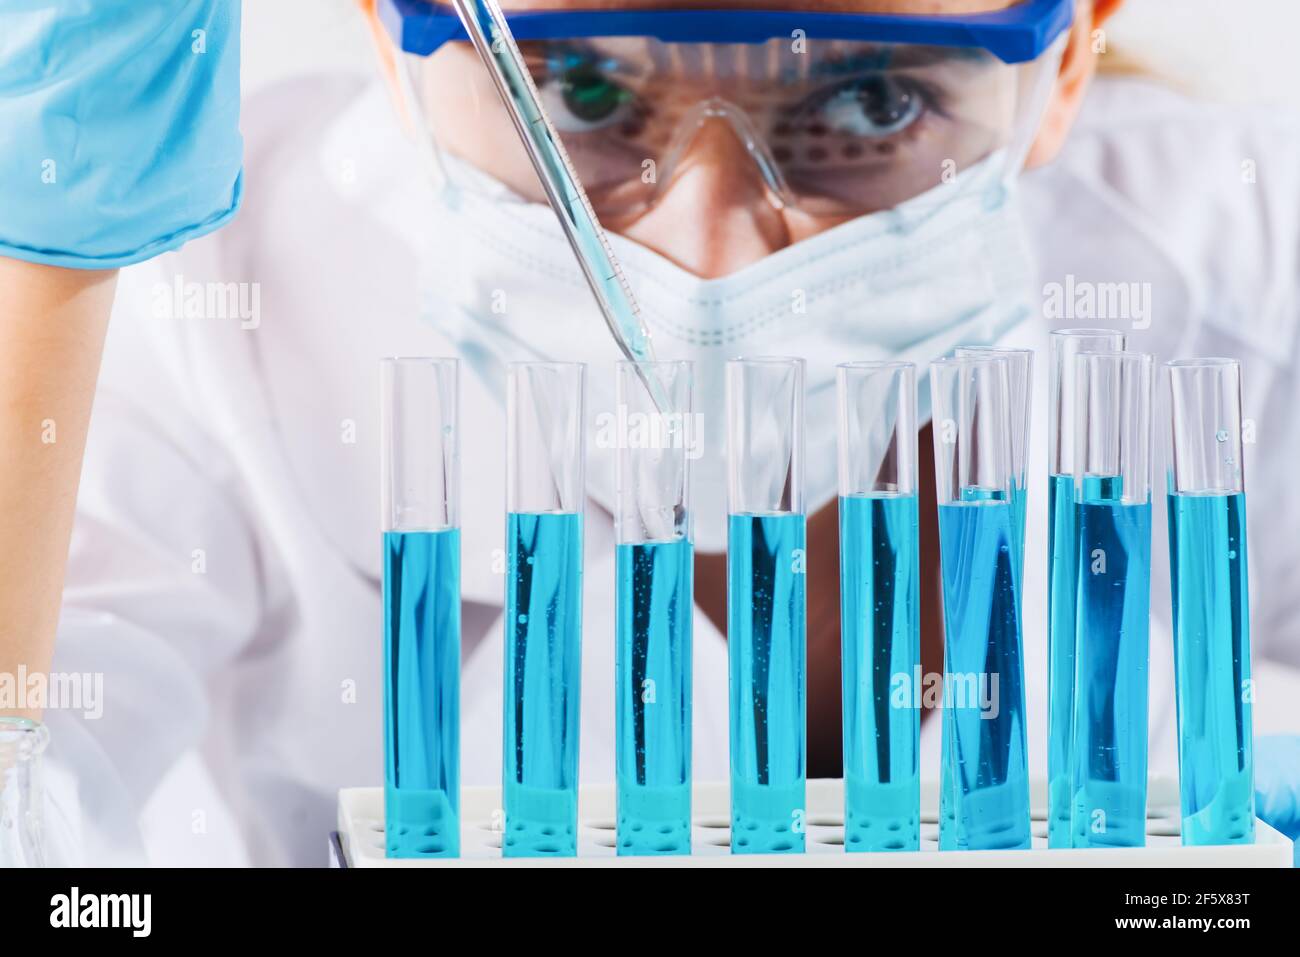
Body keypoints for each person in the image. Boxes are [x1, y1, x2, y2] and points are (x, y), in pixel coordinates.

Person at [2, 0, 1298, 865]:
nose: (707, 266)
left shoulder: (1249, 271)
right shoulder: (205, 309)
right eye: (576, 90)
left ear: (1066, 60)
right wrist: (41, 273)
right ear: (390, 45)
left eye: (873, 107)